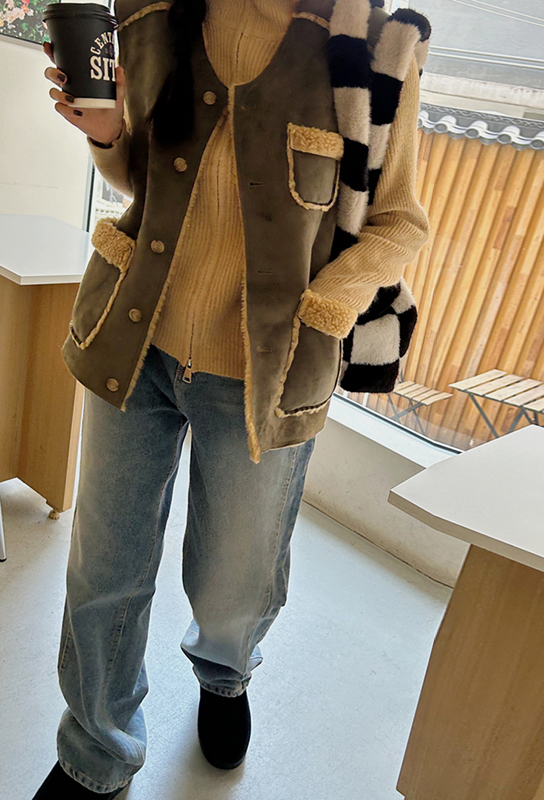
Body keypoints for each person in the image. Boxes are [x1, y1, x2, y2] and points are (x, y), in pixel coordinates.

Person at [34, 0, 429, 795]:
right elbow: (142, 180)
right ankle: (96, 750)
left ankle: (224, 672)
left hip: (266, 372)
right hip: (132, 343)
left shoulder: (373, 51)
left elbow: (399, 223)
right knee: (103, 572)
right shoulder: (152, 15)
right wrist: (106, 135)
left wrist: (326, 306)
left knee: (234, 582)